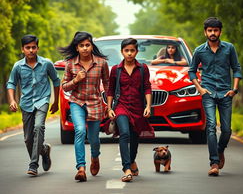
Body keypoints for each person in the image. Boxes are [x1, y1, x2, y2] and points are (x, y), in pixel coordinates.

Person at [188, 17, 242, 176]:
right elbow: (191, 71)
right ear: (205, 32)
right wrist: (200, 88)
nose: (213, 33)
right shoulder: (199, 51)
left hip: (226, 93)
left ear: (220, 31)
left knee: (226, 130)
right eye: (210, 30)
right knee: (211, 126)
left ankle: (220, 150)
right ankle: (214, 163)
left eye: (215, 30)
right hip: (208, 93)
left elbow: (236, 68)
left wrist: (234, 89)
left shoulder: (229, 48)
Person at [6, 35, 60, 176]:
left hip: (43, 100)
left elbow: (56, 80)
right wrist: (12, 100)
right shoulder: (18, 66)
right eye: (27, 48)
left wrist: (55, 102)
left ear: (38, 48)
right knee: (28, 138)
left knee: (38, 127)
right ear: (22, 49)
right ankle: (43, 150)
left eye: (33, 47)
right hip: (26, 103)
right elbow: (11, 83)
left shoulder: (46, 63)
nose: (31, 50)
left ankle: (33, 165)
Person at [60, 31, 109, 182]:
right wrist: (76, 80)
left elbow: (107, 84)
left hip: (95, 103)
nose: (85, 48)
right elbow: (64, 87)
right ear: (77, 48)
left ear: (91, 46)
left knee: (94, 139)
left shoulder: (101, 63)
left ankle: (95, 157)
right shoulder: (70, 64)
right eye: (81, 45)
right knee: (80, 131)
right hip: (77, 102)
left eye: (88, 45)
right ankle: (81, 168)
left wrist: (109, 104)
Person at [107, 38, 154, 182]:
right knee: (125, 134)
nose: (129, 53)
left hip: (137, 107)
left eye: (132, 50)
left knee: (134, 137)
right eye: (126, 50)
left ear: (136, 51)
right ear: (122, 52)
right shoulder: (116, 70)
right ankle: (126, 168)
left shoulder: (142, 69)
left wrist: (147, 106)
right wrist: (109, 108)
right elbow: (110, 90)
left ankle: (132, 159)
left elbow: (147, 87)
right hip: (121, 106)